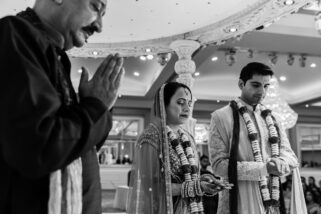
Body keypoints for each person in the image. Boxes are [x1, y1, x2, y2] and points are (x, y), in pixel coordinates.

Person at [0, 0, 125, 214]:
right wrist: (95, 106)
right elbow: (40, 147)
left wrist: (97, 106)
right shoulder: (15, 33)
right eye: (95, 7)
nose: (100, 26)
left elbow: (75, 148)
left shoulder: (56, 54)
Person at [208, 62, 304, 214]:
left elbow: (291, 157)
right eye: (256, 85)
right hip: (238, 200)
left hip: (273, 200)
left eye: (266, 86)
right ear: (241, 84)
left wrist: (281, 162)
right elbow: (218, 166)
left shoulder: (274, 118)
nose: (262, 91)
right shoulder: (221, 117)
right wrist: (263, 169)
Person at [128, 82, 233, 214]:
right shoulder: (151, 138)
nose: (187, 108)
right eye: (180, 102)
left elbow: (188, 177)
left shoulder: (187, 137)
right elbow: (150, 188)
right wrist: (196, 187)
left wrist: (203, 181)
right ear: (163, 104)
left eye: (189, 103)